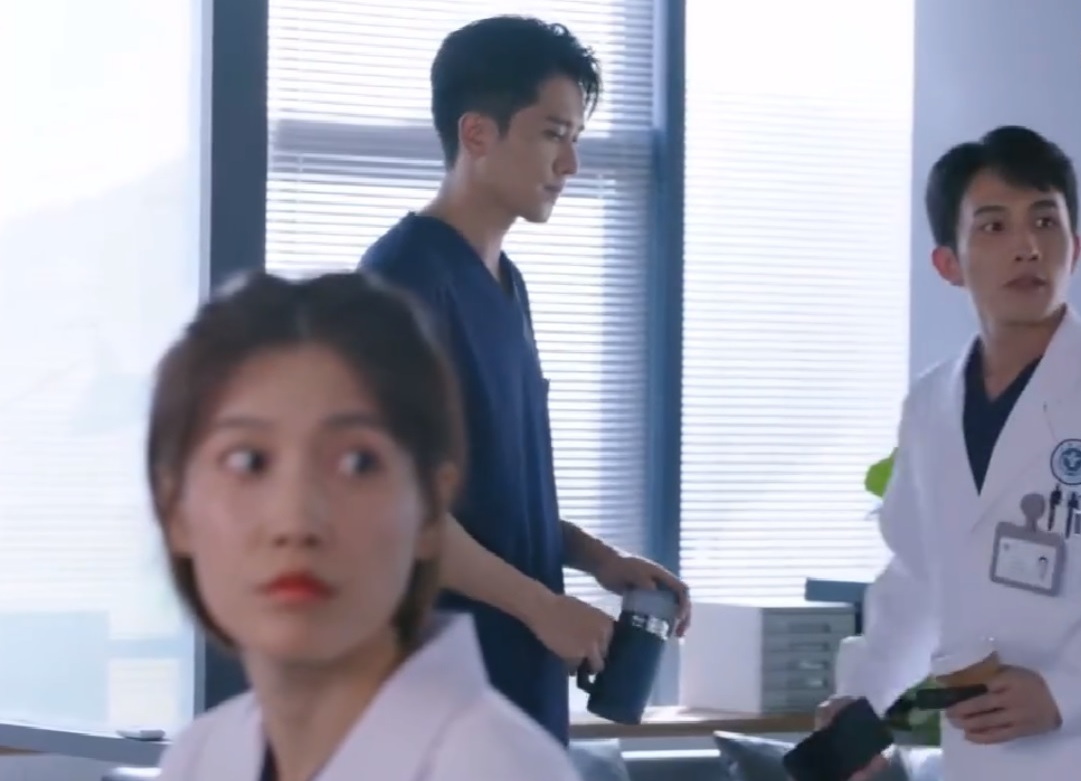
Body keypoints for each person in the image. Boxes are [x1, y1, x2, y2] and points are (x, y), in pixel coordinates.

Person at [359, 15, 691, 744]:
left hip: (517, 696)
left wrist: (598, 559)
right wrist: (543, 607)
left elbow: (494, 499)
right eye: (552, 134)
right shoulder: (401, 281)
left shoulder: (507, 285)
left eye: (576, 137)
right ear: (477, 133)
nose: (570, 163)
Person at [150, 271, 584, 781]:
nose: (296, 521)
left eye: (357, 463)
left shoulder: (496, 768)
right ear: (175, 509)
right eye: (248, 461)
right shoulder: (200, 755)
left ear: (430, 509)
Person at [815, 125, 1081, 780]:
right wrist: (864, 701)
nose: (1026, 246)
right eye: (993, 226)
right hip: (982, 758)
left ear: (1074, 247)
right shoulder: (931, 405)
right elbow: (917, 579)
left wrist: (1064, 692)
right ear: (948, 264)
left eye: (1044, 221)